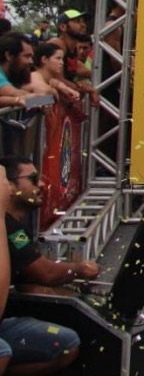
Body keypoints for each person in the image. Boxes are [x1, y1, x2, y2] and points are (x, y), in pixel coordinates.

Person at [0, 155, 83, 373]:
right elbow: (44, 272)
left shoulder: (15, 228)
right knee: (3, 351)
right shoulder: (6, 228)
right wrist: (79, 269)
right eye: (33, 179)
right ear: (8, 185)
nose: (42, 185)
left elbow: (29, 280)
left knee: (67, 343)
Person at [0, 32, 32, 107]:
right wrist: (44, 100)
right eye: (27, 56)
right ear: (9, 56)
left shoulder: (15, 73)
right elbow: (17, 94)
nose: (31, 61)